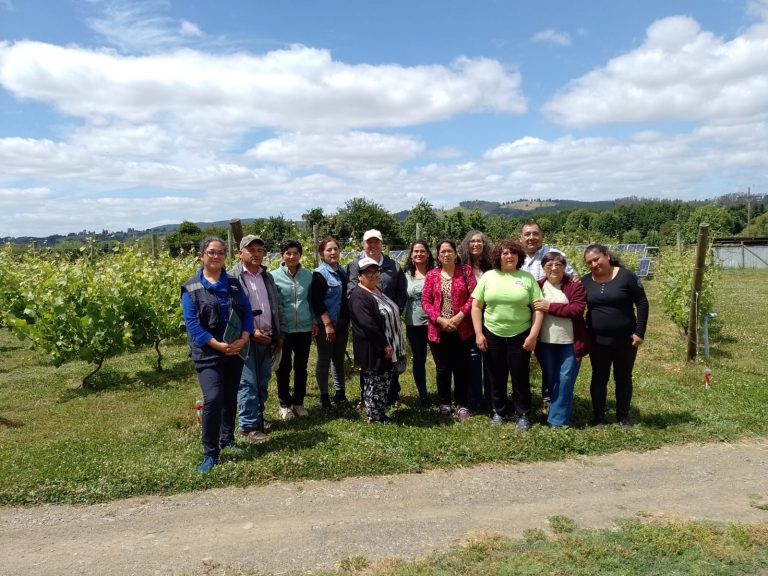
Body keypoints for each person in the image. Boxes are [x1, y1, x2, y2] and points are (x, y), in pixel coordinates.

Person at [181, 237, 254, 473]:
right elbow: (192, 325)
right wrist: (217, 345)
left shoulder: (233, 283)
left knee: (230, 396)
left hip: (234, 350)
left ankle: (228, 440)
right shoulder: (191, 288)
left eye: (221, 252)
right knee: (213, 398)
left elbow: (247, 313)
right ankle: (210, 453)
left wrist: (244, 337)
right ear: (202, 255)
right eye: (211, 252)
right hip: (208, 353)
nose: (216, 256)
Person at [471, 240, 544, 431]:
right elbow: (476, 306)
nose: (509, 256)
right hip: (492, 333)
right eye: (505, 253)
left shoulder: (527, 278)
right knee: (496, 375)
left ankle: (524, 414)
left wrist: (533, 335)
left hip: (520, 334)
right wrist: (479, 333)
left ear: (519, 256)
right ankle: (499, 411)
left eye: (513, 253)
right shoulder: (488, 277)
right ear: (498, 257)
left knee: (520, 376)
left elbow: (538, 308)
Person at [582, 244, 649, 428]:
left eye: (597, 259)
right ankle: (598, 418)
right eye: (589, 262)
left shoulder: (626, 277)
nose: (594, 264)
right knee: (599, 378)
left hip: (625, 340)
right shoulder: (585, 281)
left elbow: (642, 303)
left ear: (607, 256)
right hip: (597, 340)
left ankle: (622, 417)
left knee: (623, 378)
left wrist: (639, 331)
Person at [519, 220, 576, 411]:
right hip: (521, 317)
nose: (531, 238)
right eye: (527, 234)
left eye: (535, 234)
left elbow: (572, 279)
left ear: (542, 236)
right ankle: (521, 396)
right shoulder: (516, 258)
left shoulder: (555, 255)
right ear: (521, 238)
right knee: (521, 360)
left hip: (548, 317)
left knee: (548, 360)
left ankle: (549, 397)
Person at [347, 229, 407, 406]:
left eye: (376, 242)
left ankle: (393, 396)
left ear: (382, 244)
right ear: (363, 244)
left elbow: (401, 292)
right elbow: (352, 291)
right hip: (368, 321)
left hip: (390, 322)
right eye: (369, 242)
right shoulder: (355, 265)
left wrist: (395, 312)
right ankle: (368, 399)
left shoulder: (393, 266)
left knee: (392, 357)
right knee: (370, 361)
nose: (372, 246)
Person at [230, 235, 282, 435]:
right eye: (251, 250)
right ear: (240, 253)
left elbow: (275, 307)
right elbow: (231, 312)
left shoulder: (266, 277)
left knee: (262, 380)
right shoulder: (233, 278)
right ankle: (249, 426)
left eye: (260, 251)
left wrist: (278, 336)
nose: (256, 254)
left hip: (267, 336)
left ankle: (258, 417)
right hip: (245, 339)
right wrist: (251, 332)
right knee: (248, 382)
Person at [532, 252, 590, 428]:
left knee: (565, 380)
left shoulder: (573, 286)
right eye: (549, 265)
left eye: (558, 264)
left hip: (570, 342)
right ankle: (555, 410)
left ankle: (558, 421)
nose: (554, 268)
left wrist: (549, 307)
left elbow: (577, 309)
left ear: (565, 267)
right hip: (545, 342)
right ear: (543, 268)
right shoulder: (538, 286)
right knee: (551, 379)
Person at [422, 239, 476, 421]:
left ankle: (462, 404)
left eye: (449, 251)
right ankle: (444, 403)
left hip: (462, 329)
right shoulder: (432, 275)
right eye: (443, 251)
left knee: (462, 368)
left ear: (456, 253)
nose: (446, 254)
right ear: (438, 255)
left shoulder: (465, 271)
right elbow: (426, 301)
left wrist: (460, 316)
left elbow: (473, 297)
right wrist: (439, 319)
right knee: (443, 369)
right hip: (438, 330)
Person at [271, 240, 317, 419]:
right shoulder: (273, 276)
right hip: (284, 329)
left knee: (301, 366)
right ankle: (284, 404)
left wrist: (313, 320)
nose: (292, 256)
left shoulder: (308, 275)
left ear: (300, 255)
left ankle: (298, 402)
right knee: (283, 366)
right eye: (288, 253)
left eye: (295, 253)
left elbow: (312, 301)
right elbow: (274, 304)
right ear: (282, 255)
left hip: (304, 327)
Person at [311, 236, 351, 409]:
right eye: (329, 250)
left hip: (342, 322)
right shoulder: (319, 274)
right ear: (321, 254)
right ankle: (324, 396)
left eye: (335, 249)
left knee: (338, 359)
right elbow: (316, 302)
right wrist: (327, 325)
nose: (333, 252)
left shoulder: (342, 272)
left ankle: (340, 393)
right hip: (327, 324)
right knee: (324, 359)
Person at [459, 229, 493, 412]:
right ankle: (474, 400)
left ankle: (491, 399)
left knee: (490, 360)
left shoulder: (492, 266)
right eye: (472, 241)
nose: (476, 244)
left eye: (479, 241)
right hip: (467, 320)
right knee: (472, 360)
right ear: (466, 244)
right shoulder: (462, 267)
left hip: (490, 318)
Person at [403, 240, 435, 407]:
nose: (419, 254)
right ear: (411, 255)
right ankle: (423, 395)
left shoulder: (436, 273)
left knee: (441, 358)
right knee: (419, 359)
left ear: (428, 254)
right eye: (415, 251)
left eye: (422, 251)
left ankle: (443, 393)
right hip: (414, 323)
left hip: (435, 322)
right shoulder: (406, 275)